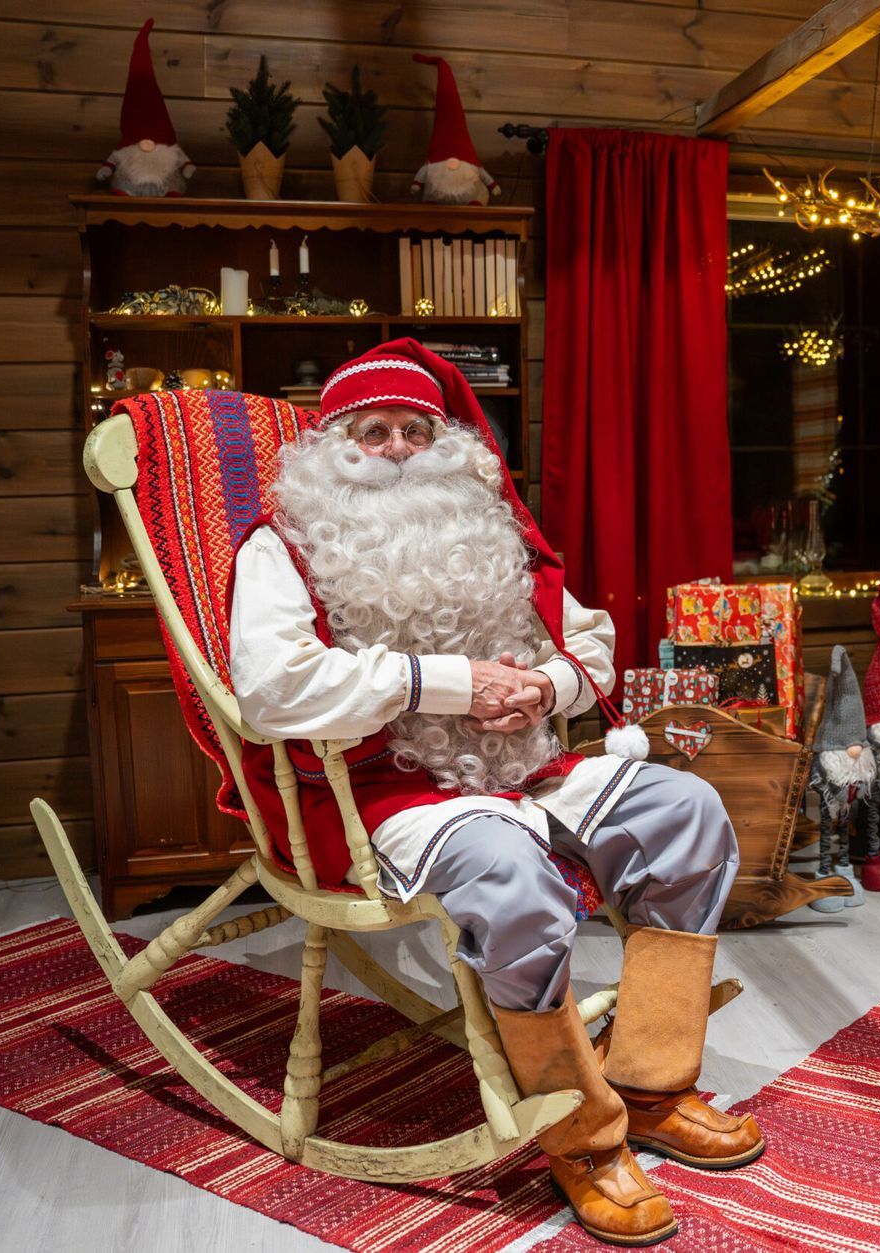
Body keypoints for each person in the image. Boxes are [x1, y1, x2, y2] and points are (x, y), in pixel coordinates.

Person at [227, 339, 760, 1246]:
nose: (397, 448)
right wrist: (451, 682)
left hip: (528, 766)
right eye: (372, 431)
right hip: (385, 789)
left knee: (689, 814)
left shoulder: (493, 533)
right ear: (332, 450)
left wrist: (545, 689)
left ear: (449, 447)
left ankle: (652, 1081)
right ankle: (582, 1135)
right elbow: (273, 687)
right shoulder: (284, 552)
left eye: (414, 430)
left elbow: (587, 642)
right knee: (510, 875)